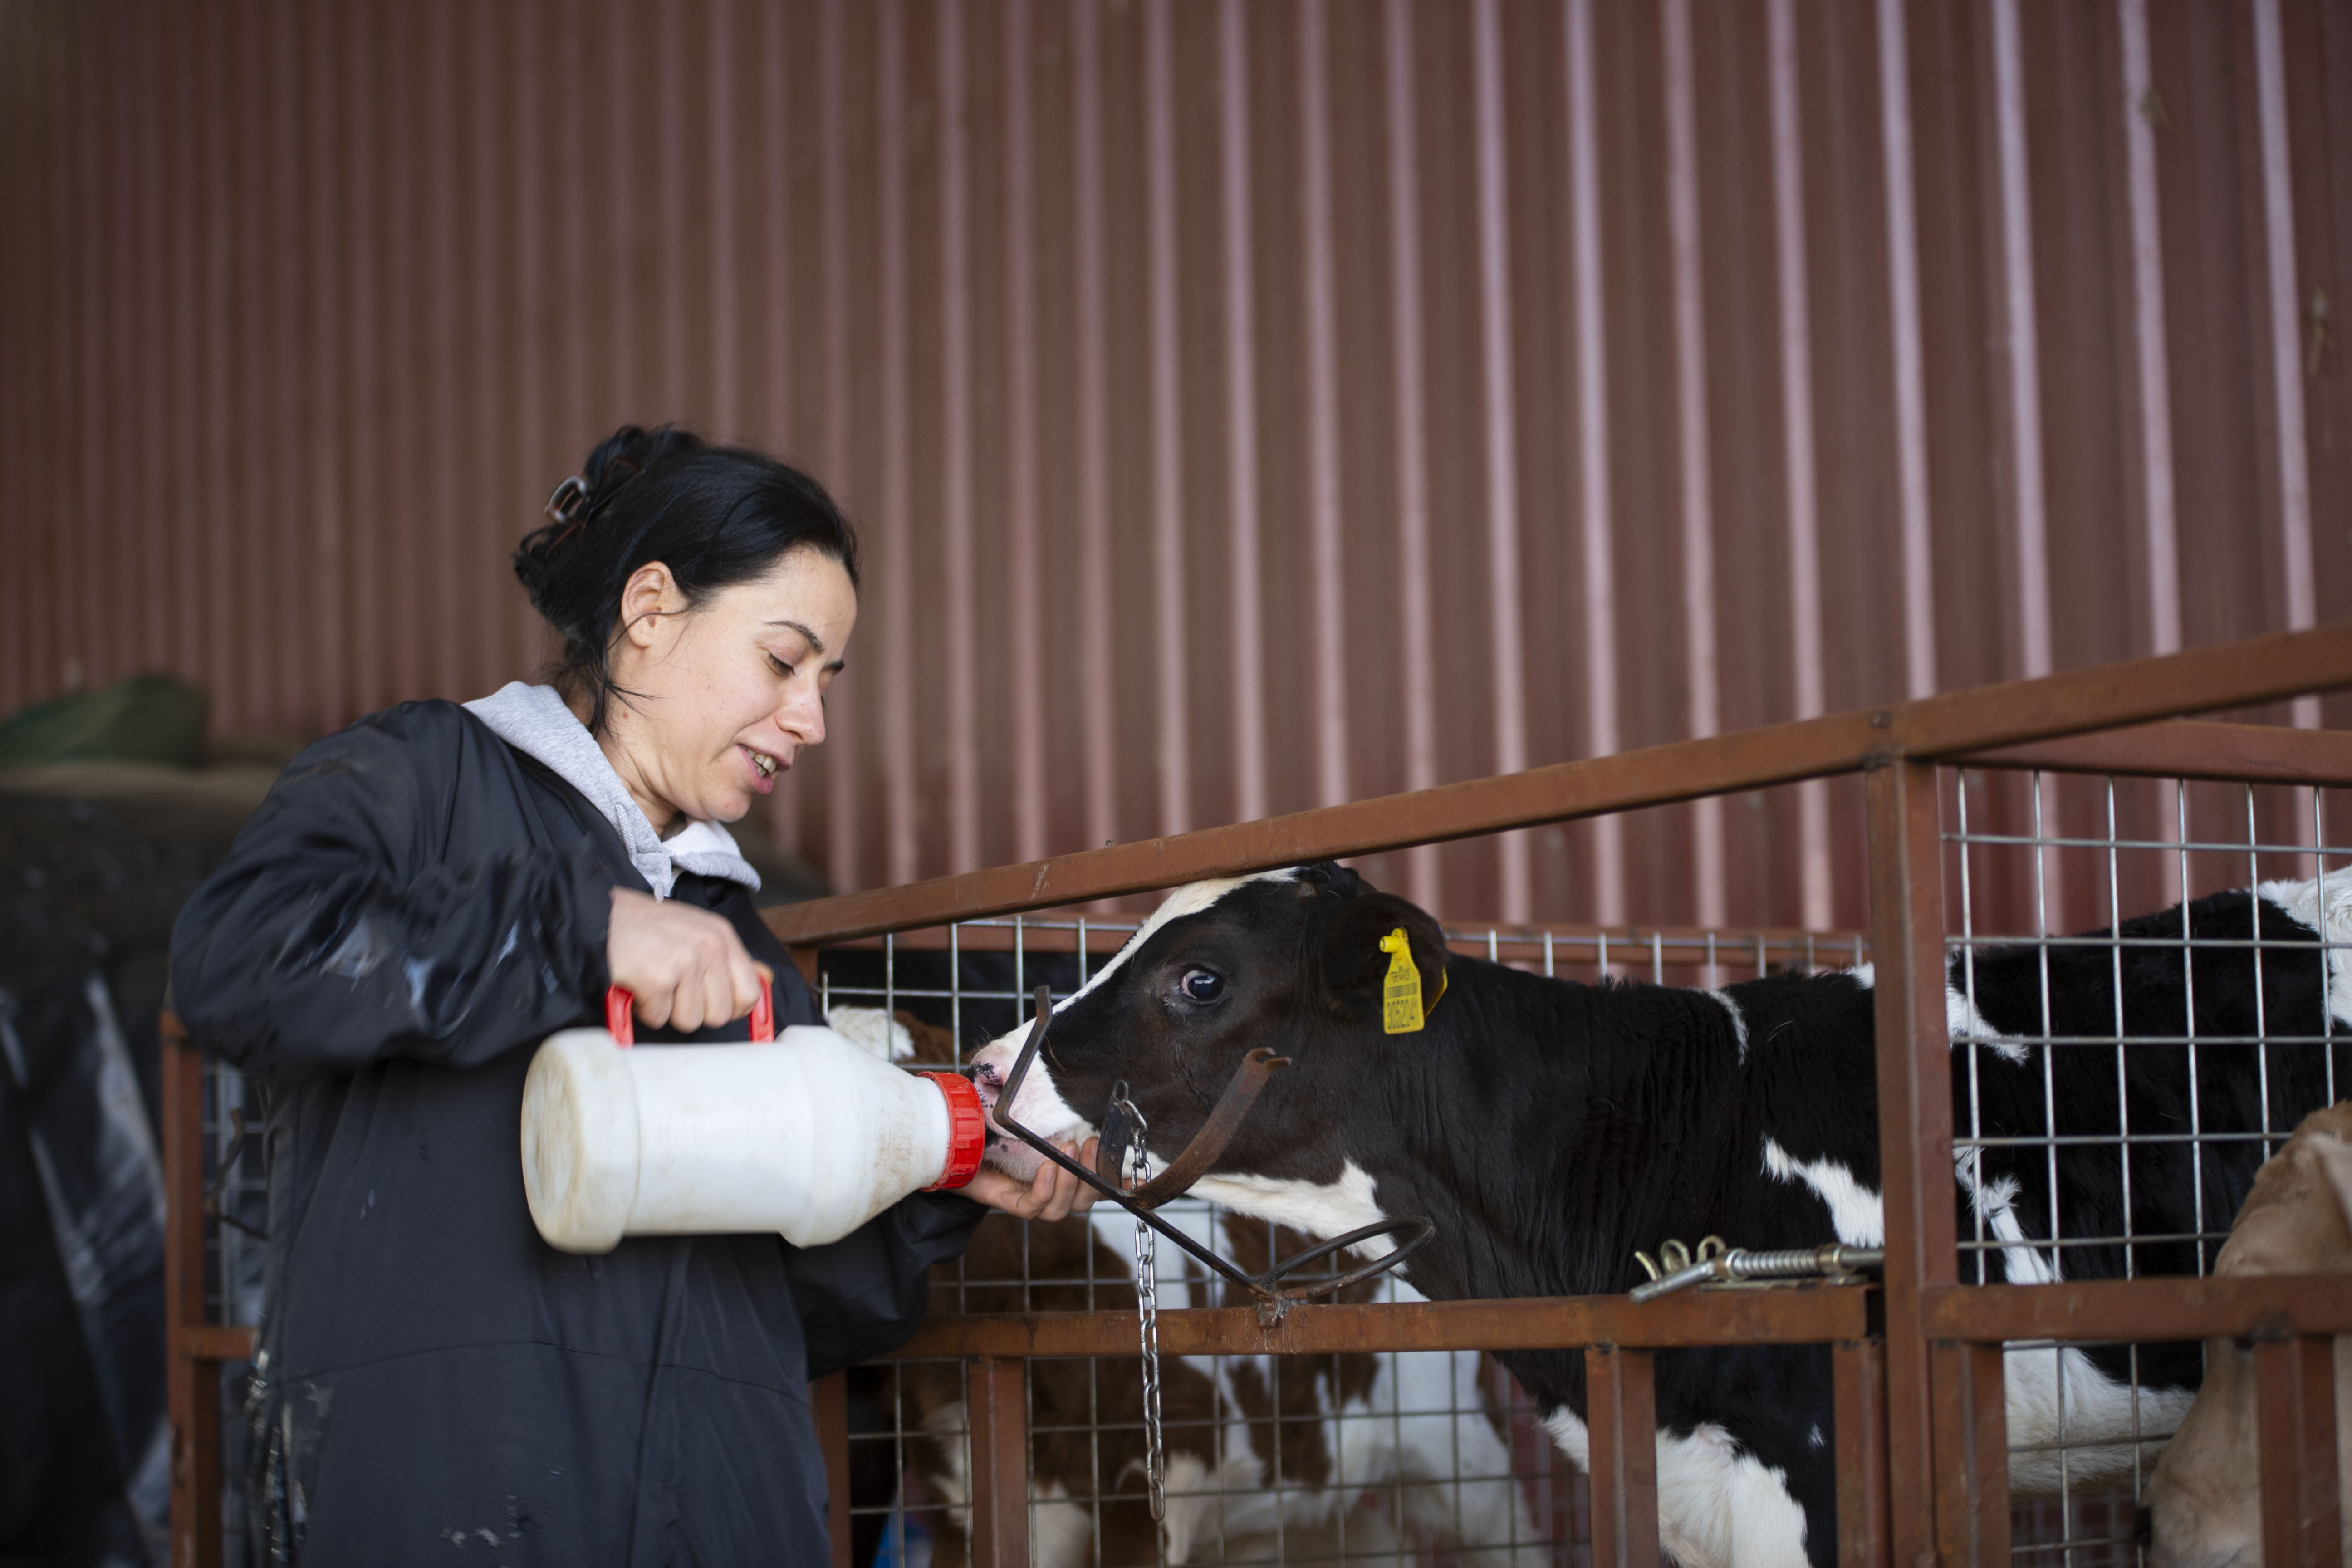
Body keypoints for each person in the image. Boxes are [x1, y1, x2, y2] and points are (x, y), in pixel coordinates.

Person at [169, 426, 1098, 1565]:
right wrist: (574, 926)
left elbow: (789, 1303)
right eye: (783, 662)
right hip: (454, 1504)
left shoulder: (733, 937)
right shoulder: (425, 780)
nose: (810, 719)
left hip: (711, 1518)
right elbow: (240, 956)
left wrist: (948, 1170)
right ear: (651, 610)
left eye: (826, 681)